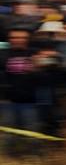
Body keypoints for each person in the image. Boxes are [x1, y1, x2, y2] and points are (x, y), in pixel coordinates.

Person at [0, 27, 42, 155]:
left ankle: (34, 159)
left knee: (33, 133)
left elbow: (43, 79)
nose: (18, 40)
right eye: (14, 37)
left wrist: (37, 68)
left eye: (22, 37)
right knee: (9, 134)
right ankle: (8, 160)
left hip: (30, 101)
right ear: (9, 39)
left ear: (27, 39)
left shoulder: (35, 54)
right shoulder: (2, 55)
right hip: (8, 101)